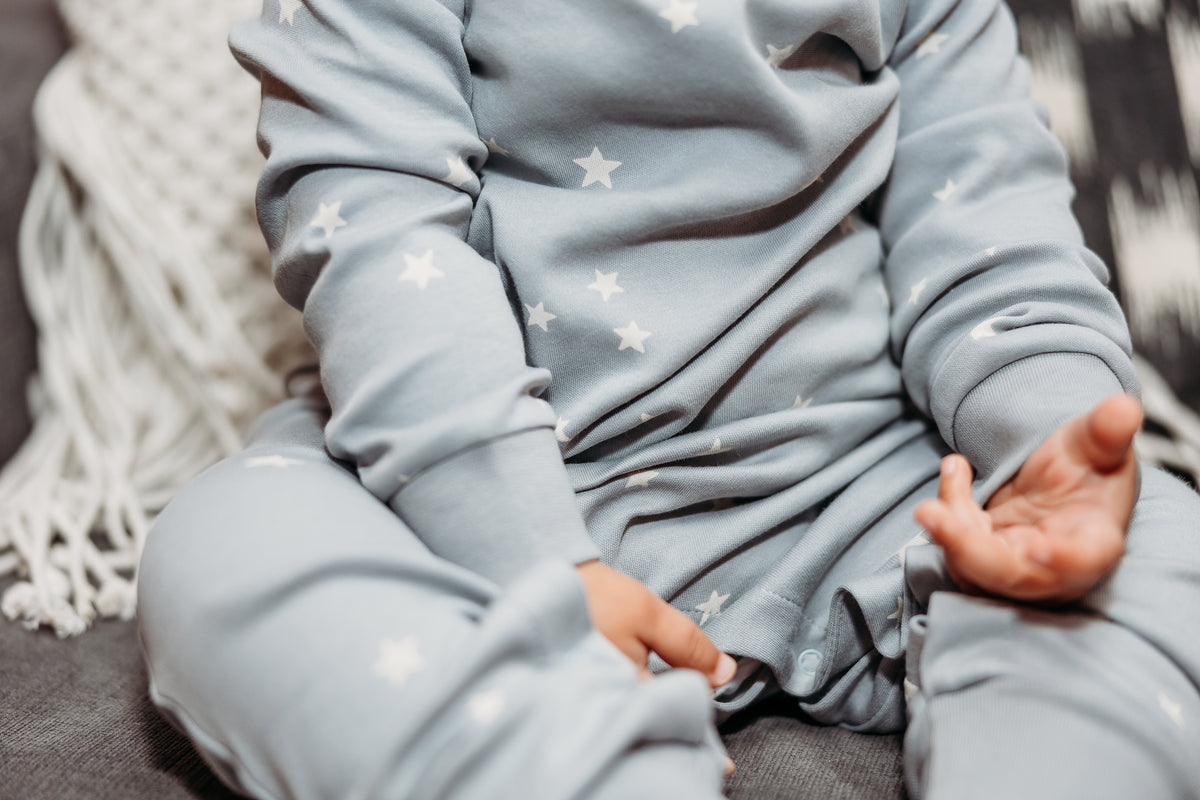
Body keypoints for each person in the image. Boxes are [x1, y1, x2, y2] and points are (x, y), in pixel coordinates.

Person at [136, 0, 1200, 797]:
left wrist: (1045, 445)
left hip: (871, 488)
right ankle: (581, 766)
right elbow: (370, 227)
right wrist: (531, 557)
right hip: (465, 491)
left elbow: (989, 225)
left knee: (1158, 552)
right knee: (220, 549)